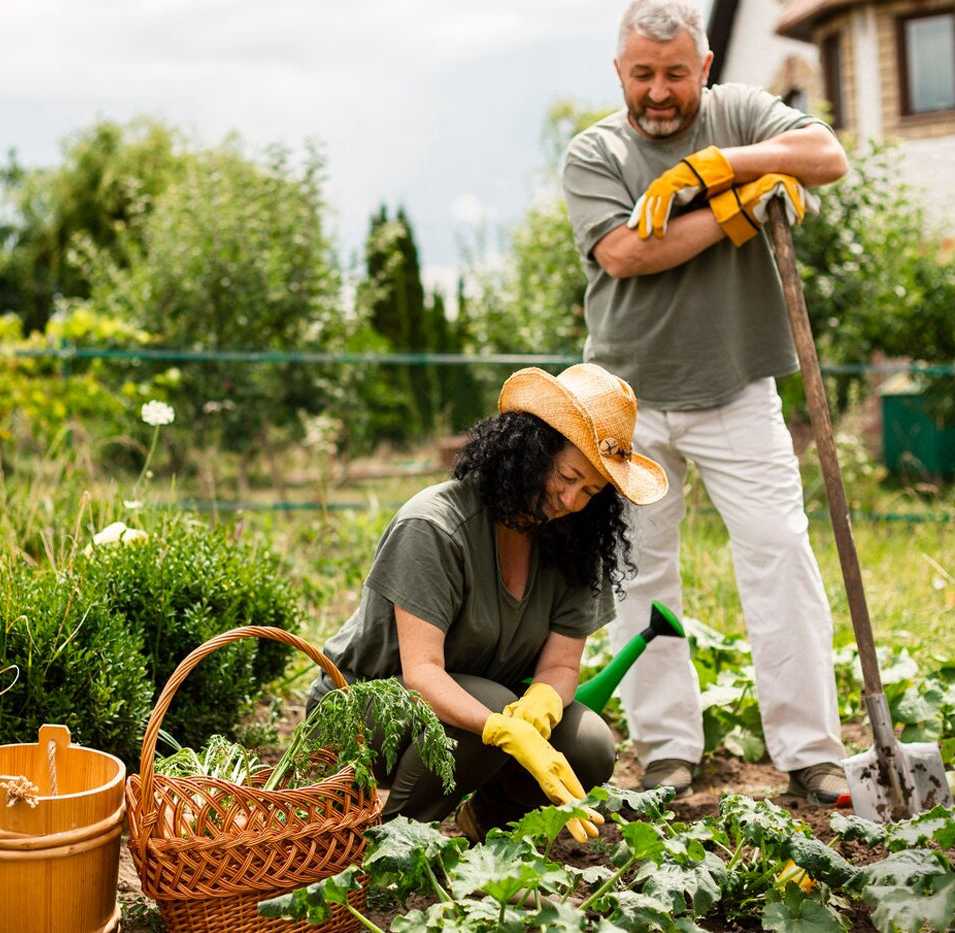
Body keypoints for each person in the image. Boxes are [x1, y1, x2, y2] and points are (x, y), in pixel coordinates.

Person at [559, 0, 851, 806]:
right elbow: (623, 252)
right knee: (640, 575)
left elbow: (825, 154)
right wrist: (732, 212)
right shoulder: (596, 150)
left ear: (706, 67)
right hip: (627, 402)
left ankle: (810, 750)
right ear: (620, 71)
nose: (659, 92)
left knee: (779, 556)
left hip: (737, 389)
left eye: (676, 74)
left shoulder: (740, 112)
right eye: (643, 74)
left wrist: (713, 164)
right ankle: (667, 749)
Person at [308, 363, 668, 842]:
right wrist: (504, 728)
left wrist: (541, 705)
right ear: (530, 450)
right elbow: (422, 673)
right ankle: (386, 843)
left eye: (591, 491)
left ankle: (486, 821)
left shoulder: (577, 545)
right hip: (363, 712)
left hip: (474, 708)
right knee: (488, 712)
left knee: (590, 746)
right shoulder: (435, 526)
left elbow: (561, 668)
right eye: (567, 476)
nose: (572, 500)